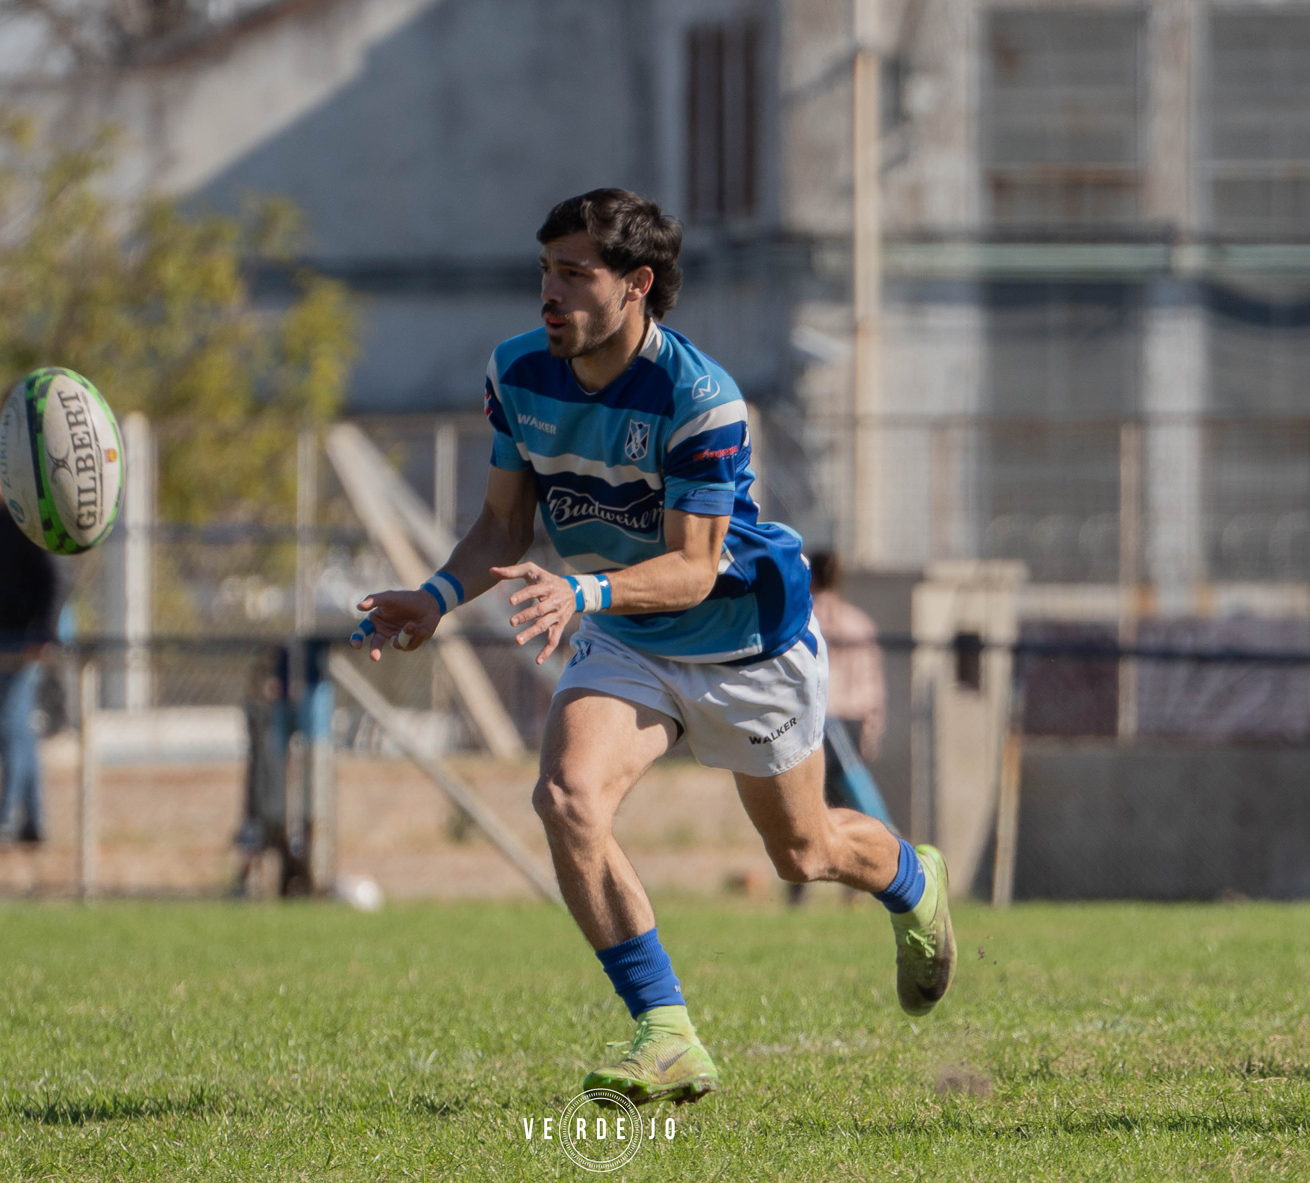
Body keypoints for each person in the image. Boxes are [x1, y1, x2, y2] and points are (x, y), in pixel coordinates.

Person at [348, 189, 955, 1106]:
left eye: (574, 274)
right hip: (628, 635)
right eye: (544, 271)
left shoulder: (700, 397)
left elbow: (696, 569)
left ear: (636, 286)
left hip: (747, 640)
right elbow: (503, 524)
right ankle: (664, 1031)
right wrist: (435, 598)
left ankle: (914, 879)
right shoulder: (518, 373)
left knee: (806, 851)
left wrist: (582, 588)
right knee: (565, 795)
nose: (549, 294)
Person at [0, 454, 65, 844]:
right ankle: (33, 821)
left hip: (25, 642)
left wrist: (43, 632)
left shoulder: (28, 523)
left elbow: (56, 579)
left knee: (11, 728)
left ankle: (6, 819)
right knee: (18, 730)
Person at [788, 551, 888, 905]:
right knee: (849, 808)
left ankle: (799, 890)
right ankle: (859, 884)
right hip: (848, 722)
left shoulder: (799, 620)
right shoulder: (859, 623)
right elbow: (873, 687)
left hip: (818, 722)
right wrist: (872, 730)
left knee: (807, 804)